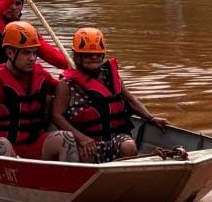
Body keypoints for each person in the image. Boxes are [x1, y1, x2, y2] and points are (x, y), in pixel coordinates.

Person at [0, 21, 78, 161]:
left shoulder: (40, 75)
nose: (32, 58)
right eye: (26, 53)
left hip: (34, 143)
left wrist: (78, 79)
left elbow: (64, 90)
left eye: (35, 53)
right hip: (4, 146)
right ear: (10, 52)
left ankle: (64, 179)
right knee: (1, 145)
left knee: (66, 138)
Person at [52, 27, 168, 163]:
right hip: (85, 140)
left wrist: (150, 118)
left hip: (114, 138)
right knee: (86, 155)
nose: (94, 58)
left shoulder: (112, 78)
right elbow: (56, 116)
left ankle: (125, 176)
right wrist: (81, 139)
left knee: (129, 146)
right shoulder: (67, 84)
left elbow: (130, 100)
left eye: (99, 54)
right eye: (88, 55)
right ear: (78, 57)